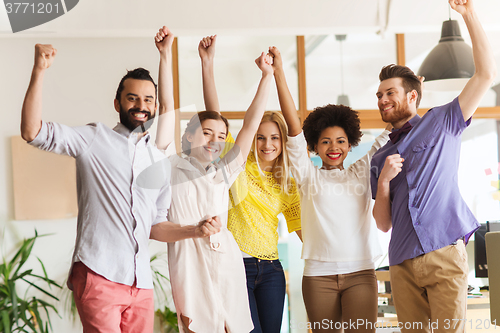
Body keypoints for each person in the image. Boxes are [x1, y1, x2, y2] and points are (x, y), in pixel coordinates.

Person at [20, 31, 221, 333]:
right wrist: (39, 71)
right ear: (117, 103)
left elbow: (156, 225)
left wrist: (194, 230)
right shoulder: (93, 139)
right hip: (98, 273)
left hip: (140, 283)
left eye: (147, 100)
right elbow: (32, 131)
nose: (141, 105)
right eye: (132, 98)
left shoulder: (157, 158)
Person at [370, 1, 496, 332]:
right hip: (401, 262)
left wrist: (469, 14)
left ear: (413, 96)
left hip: (444, 253)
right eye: (379, 95)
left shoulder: (443, 121)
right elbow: (383, 224)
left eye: (390, 92)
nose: (382, 100)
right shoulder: (378, 158)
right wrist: (383, 182)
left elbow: (486, 74)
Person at [154, 29, 274, 333]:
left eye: (221, 136)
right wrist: (165, 55)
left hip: (227, 264)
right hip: (189, 267)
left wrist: (266, 76)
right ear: (189, 135)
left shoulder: (224, 172)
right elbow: (167, 108)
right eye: (207, 133)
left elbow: (250, 125)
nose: (216, 141)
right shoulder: (169, 164)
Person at [269, 46, 391, 333]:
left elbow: (393, 130)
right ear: (314, 147)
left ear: (350, 144)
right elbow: (293, 128)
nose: (333, 147)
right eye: (325, 141)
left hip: (361, 273)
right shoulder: (306, 175)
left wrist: (412, 95)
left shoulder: (362, 169)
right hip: (318, 276)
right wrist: (278, 74)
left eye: (340, 141)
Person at [197, 35, 302, 333]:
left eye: (274, 138)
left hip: (271, 269)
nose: (267, 144)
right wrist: (208, 64)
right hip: (236, 265)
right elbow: (215, 116)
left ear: (282, 142)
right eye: (260, 137)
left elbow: (304, 232)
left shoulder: (288, 184)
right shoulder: (238, 163)